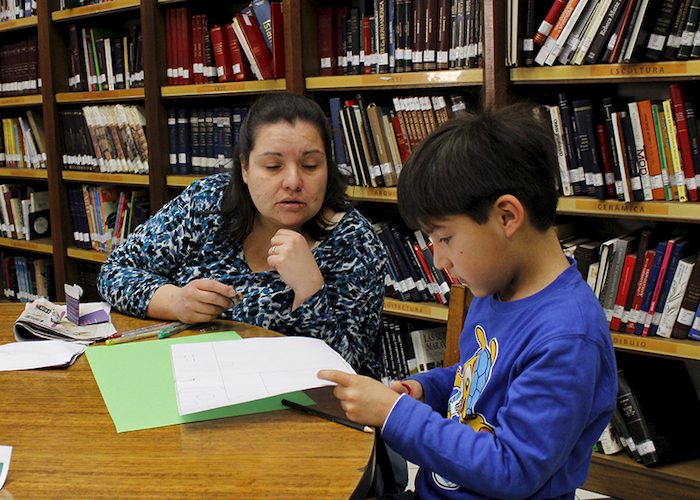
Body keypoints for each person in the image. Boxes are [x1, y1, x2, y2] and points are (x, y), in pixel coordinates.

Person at [319, 103, 618, 500]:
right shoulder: (495, 289)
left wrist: (395, 416)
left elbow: (512, 469)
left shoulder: (567, 338)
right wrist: (422, 391)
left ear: (507, 217)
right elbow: (475, 381)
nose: (439, 260)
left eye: (444, 238)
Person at [97, 92, 388, 376]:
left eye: (310, 165)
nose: (293, 181)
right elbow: (115, 271)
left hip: (298, 407)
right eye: (273, 166)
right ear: (245, 168)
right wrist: (175, 302)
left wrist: (310, 290)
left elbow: (354, 369)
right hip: (196, 382)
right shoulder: (208, 201)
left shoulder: (355, 241)